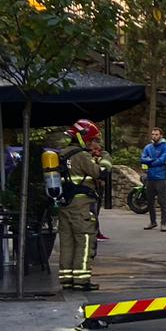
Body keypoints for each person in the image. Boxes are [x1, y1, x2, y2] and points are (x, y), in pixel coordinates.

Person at [57, 120, 104, 290]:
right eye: (92, 140)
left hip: (65, 205)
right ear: (84, 138)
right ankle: (82, 281)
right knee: (84, 241)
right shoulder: (82, 155)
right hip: (81, 206)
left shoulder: (61, 155)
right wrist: (105, 160)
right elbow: (99, 173)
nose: (93, 144)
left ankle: (67, 279)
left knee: (67, 243)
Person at [140, 128, 166, 231]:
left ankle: (163, 224)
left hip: (161, 177)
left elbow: (163, 160)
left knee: (162, 201)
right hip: (150, 177)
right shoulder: (148, 147)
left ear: (161, 135)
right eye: (153, 134)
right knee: (150, 201)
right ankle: (153, 222)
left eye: (156, 134)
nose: (154, 136)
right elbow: (142, 158)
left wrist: (150, 161)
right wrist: (152, 160)